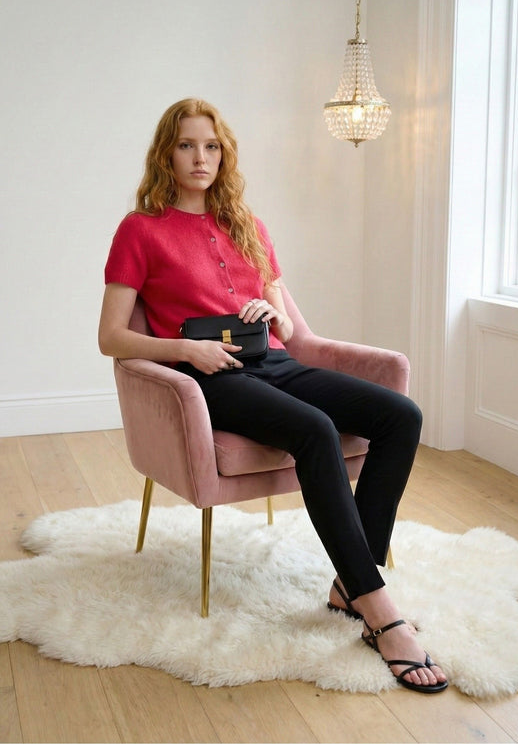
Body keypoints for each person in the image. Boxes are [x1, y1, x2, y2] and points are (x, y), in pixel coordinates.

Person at [98, 98, 448, 694]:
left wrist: (271, 313)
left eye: (211, 146)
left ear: (224, 153)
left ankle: (349, 584)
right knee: (313, 430)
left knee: (400, 417)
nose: (200, 157)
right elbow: (111, 337)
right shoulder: (140, 229)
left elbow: (286, 324)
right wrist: (188, 352)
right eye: (186, 145)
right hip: (213, 378)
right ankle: (381, 611)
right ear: (166, 153)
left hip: (274, 364)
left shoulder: (248, 225)